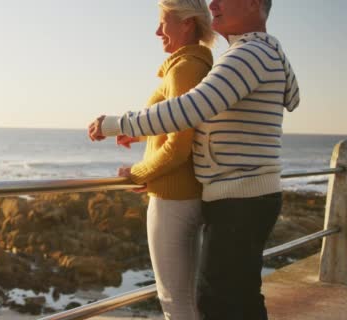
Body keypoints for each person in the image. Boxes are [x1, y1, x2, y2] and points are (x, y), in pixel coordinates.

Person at [88, 0, 300, 319]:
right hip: (249, 195)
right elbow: (292, 97)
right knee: (237, 297)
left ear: (254, 3)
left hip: (240, 198)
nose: (213, 3)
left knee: (223, 303)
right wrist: (145, 135)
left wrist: (116, 123)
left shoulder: (247, 54)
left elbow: (190, 109)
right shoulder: (263, 50)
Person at [111, 1, 214, 319]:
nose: (157, 31)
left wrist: (140, 173)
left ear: (187, 24)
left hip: (173, 198)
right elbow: (178, 125)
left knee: (174, 300)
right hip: (184, 195)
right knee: (185, 297)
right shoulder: (193, 66)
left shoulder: (185, 69)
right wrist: (141, 136)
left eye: (163, 22)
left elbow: (179, 146)